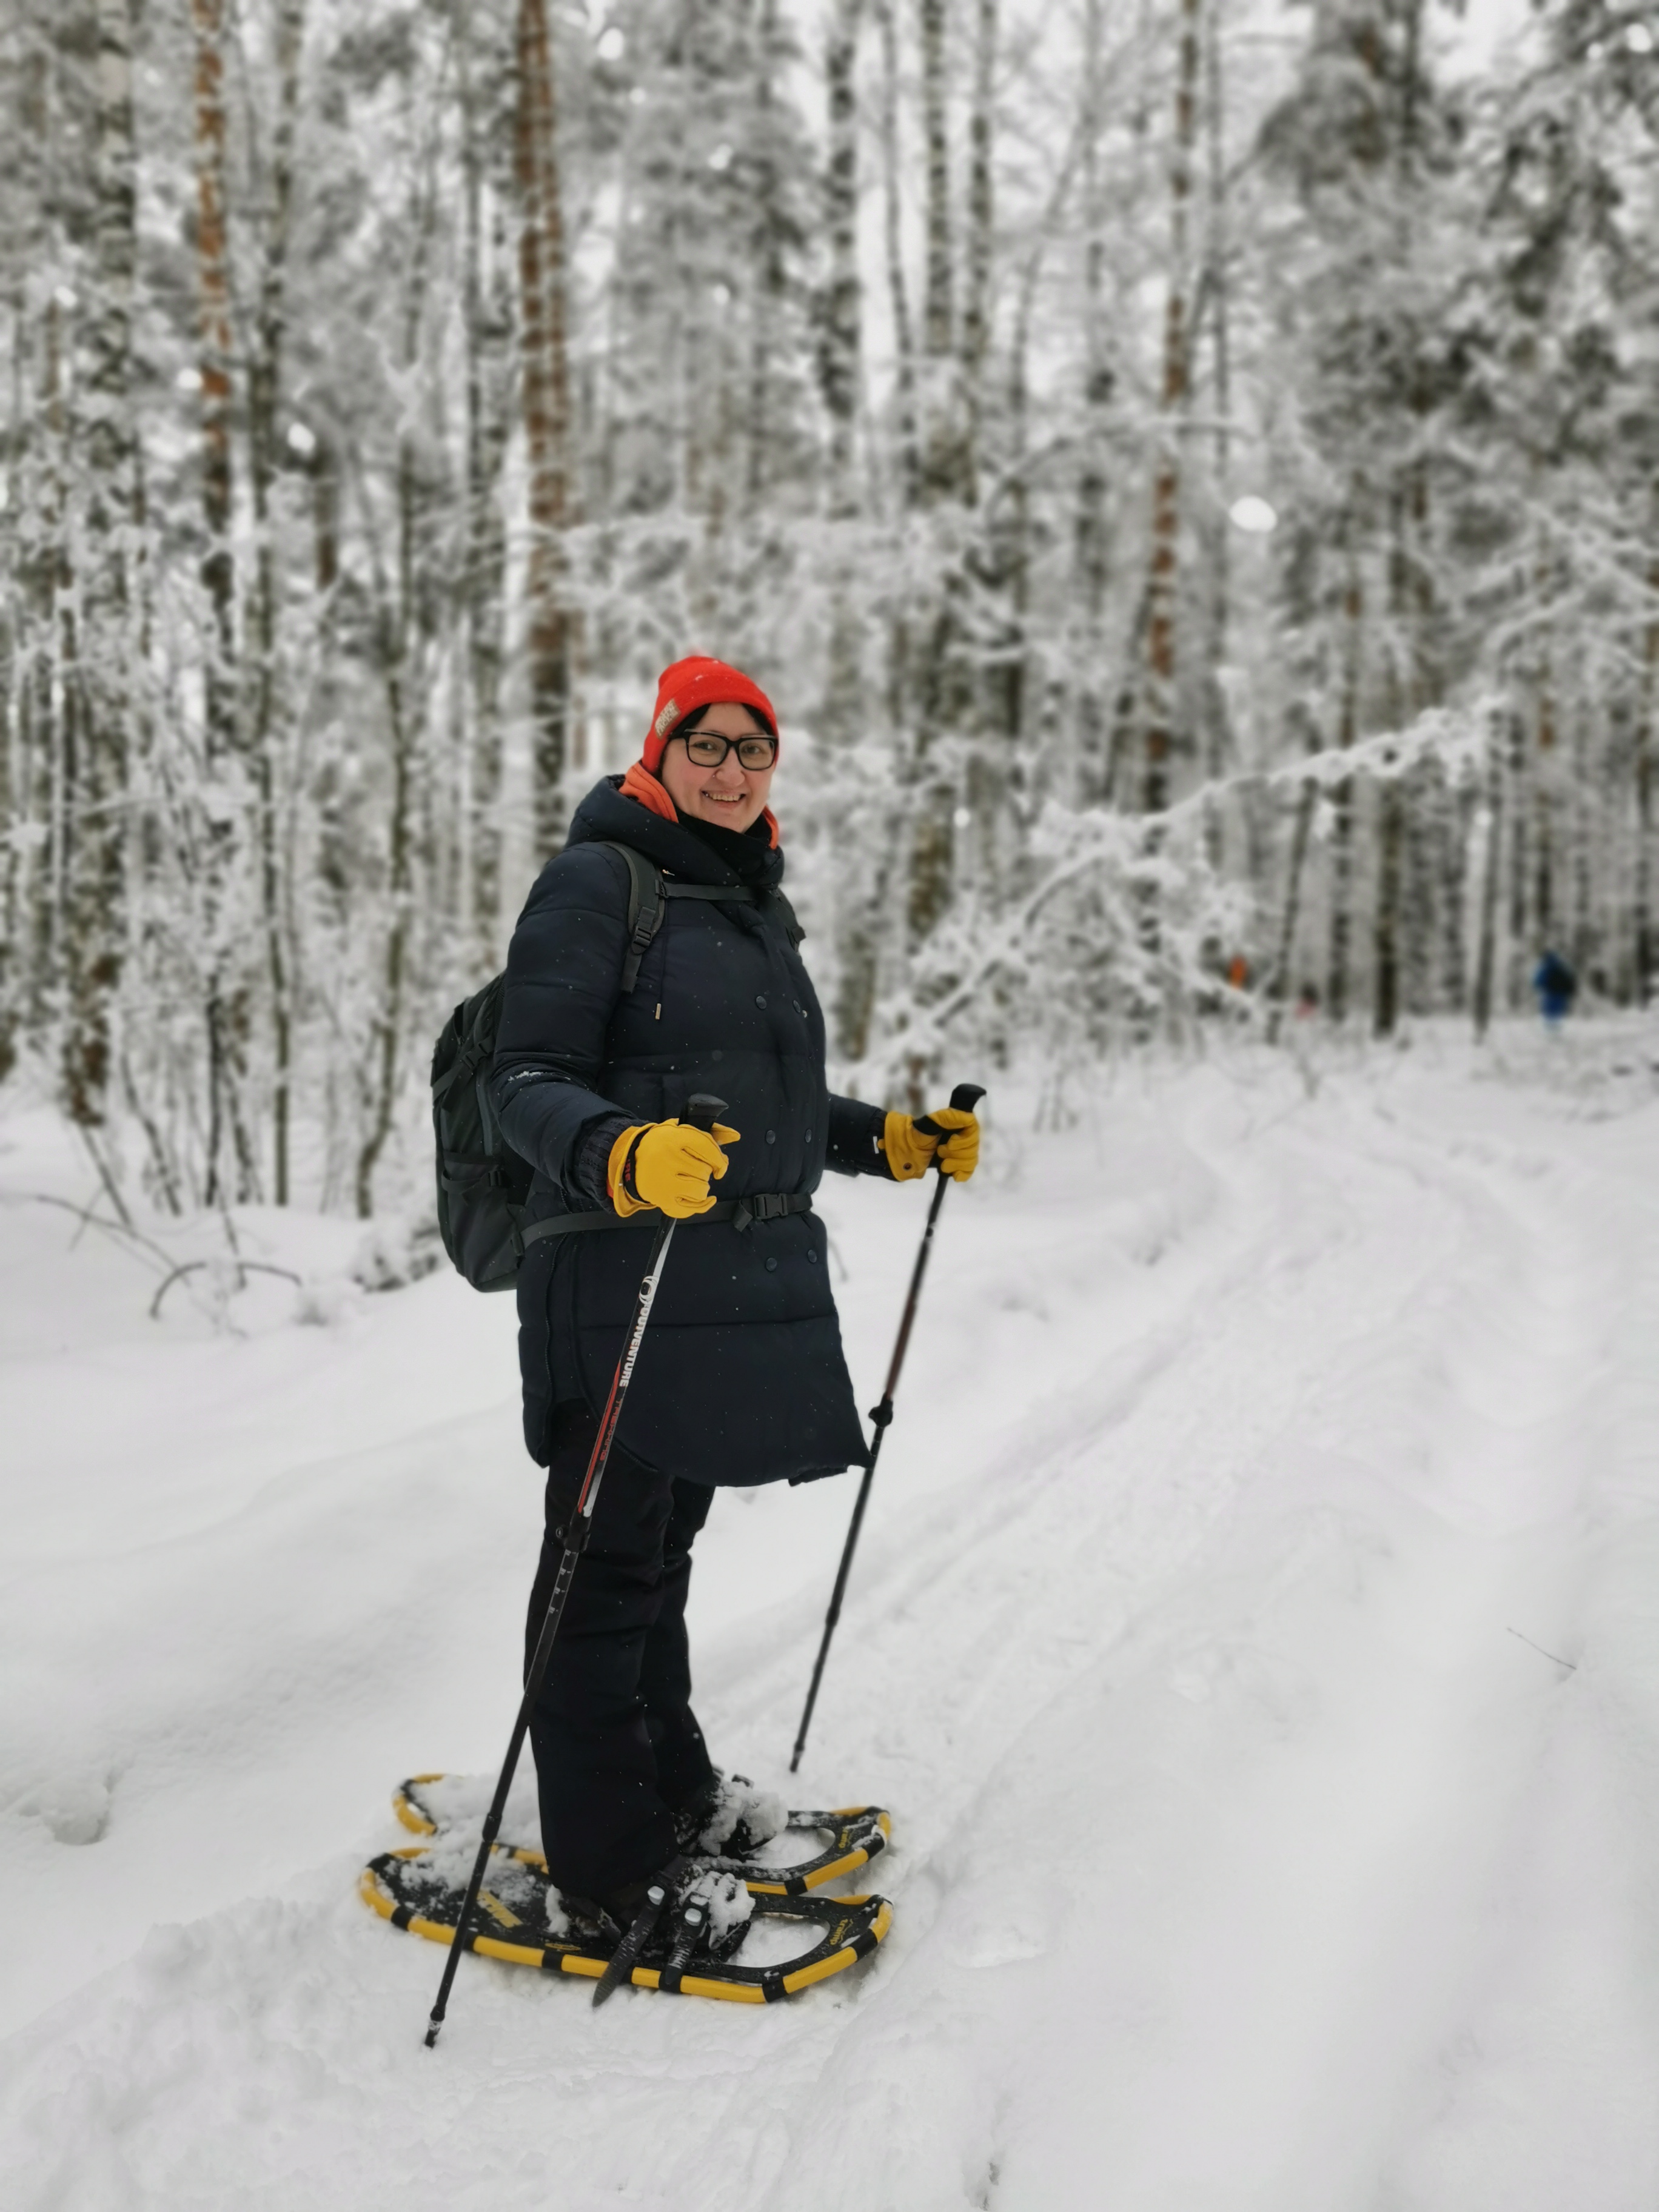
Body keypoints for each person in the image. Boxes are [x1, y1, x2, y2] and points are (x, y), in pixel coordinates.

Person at [489, 654, 979, 1951]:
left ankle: (673, 1791)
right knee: (599, 1569)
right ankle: (605, 1861)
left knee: (659, 1549)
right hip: (615, 1275)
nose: (729, 769)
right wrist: (620, 1152)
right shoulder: (601, 881)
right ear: (658, 750)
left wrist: (890, 1141)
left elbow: (763, 1109)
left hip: (714, 1285)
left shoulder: (751, 902)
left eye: (752, 750)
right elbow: (522, 1079)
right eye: (704, 745)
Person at [1532, 948, 1577, 1030]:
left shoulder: (1545, 968)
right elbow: (1570, 979)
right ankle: (1557, 1030)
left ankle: (1550, 1031)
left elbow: (1539, 980)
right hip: (1561, 994)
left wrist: (1537, 986)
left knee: (1549, 1013)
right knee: (1558, 1013)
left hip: (1550, 993)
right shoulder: (1561, 966)